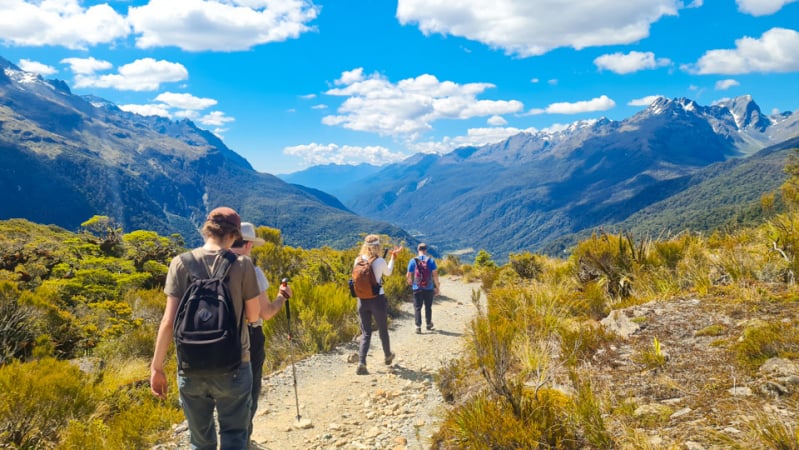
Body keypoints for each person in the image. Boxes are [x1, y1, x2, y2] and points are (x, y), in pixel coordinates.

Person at [150, 207, 262, 450]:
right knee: (234, 434)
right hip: (235, 365)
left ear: (207, 229)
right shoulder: (243, 265)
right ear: (234, 235)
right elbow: (254, 316)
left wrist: (156, 367)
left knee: (200, 442)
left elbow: (168, 322)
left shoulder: (179, 263)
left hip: (191, 367)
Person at [230, 222, 292, 444]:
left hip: (217, 340)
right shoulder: (252, 271)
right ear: (247, 244)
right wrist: (281, 297)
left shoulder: (209, 266)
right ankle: (243, 440)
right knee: (249, 392)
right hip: (249, 336)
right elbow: (265, 313)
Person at [354, 235, 402, 375]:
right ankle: (387, 355)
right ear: (378, 246)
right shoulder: (380, 261)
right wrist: (392, 257)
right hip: (377, 299)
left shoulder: (357, 260)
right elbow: (388, 273)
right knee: (382, 329)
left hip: (362, 300)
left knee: (366, 332)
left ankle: (362, 362)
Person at [407, 243, 440, 334]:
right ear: (425, 250)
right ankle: (428, 324)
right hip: (429, 288)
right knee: (428, 306)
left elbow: (408, 275)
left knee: (417, 307)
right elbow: (435, 276)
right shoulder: (431, 261)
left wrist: (410, 281)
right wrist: (437, 287)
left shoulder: (412, 261)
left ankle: (418, 326)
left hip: (417, 287)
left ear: (418, 250)